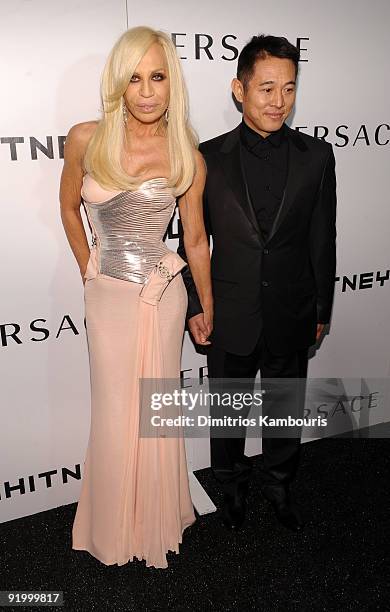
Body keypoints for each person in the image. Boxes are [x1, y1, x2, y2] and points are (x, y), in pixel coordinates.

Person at [60, 26, 212, 569]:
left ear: (172, 82)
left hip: (162, 298)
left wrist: (205, 305)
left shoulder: (185, 148)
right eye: (134, 78)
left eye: (158, 76)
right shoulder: (86, 138)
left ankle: (157, 517)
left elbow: (195, 237)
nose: (146, 91)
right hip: (108, 300)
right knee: (114, 409)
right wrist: (88, 269)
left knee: (155, 410)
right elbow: (68, 209)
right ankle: (111, 527)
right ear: (118, 84)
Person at [178, 35, 337, 531]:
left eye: (288, 89)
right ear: (238, 89)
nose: (278, 101)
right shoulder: (207, 157)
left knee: (284, 407)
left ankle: (279, 484)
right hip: (228, 307)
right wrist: (194, 305)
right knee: (227, 411)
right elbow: (192, 240)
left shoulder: (317, 156)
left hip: (292, 308)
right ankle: (230, 486)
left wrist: (321, 310)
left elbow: (322, 238)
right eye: (266, 88)